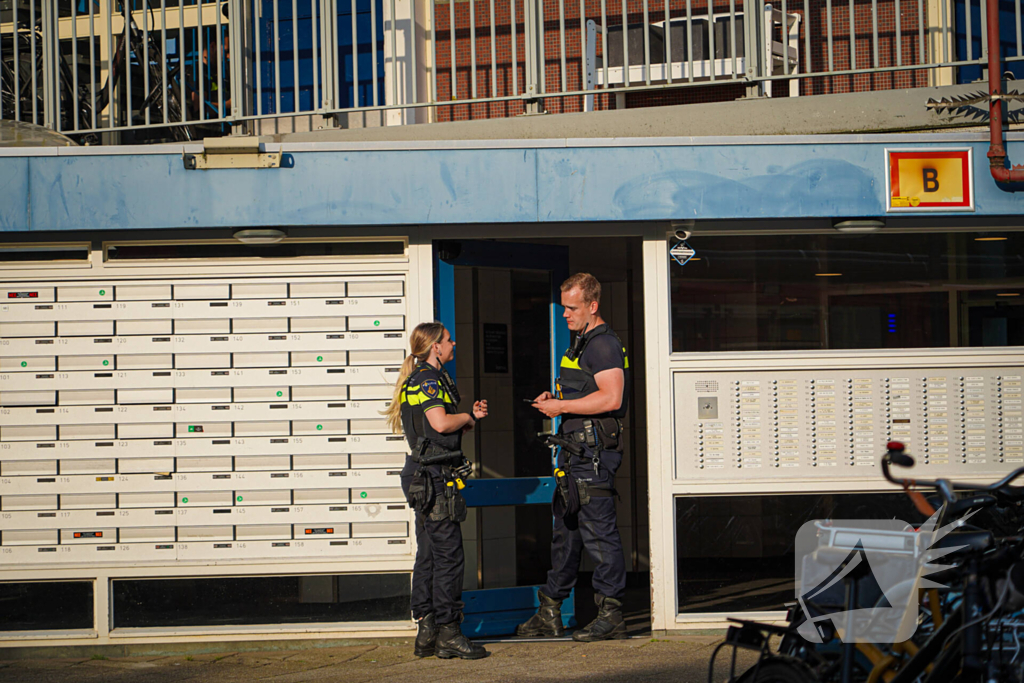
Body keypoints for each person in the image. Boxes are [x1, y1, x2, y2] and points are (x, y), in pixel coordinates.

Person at [516, 273, 630, 642]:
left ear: (592, 306)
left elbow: (612, 399)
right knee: (566, 535)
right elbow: (586, 393)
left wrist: (561, 405)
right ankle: (549, 609)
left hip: (592, 456)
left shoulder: (603, 345)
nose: (564, 314)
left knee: (599, 535)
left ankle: (611, 612)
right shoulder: (581, 344)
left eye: (571, 307)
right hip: (575, 454)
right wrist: (557, 400)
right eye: (564, 306)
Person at [384, 322, 490, 660]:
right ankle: (448, 632)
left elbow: (439, 429)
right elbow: (441, 423)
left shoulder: (423, 378)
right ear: (435, 347)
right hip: (433, 478)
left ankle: (426, 632)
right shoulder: (429, 380)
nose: (453, 343)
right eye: (447, 340)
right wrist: (464, 417)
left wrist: (468, 417)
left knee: (429, 553)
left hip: (423, 473)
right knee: (449, 557)